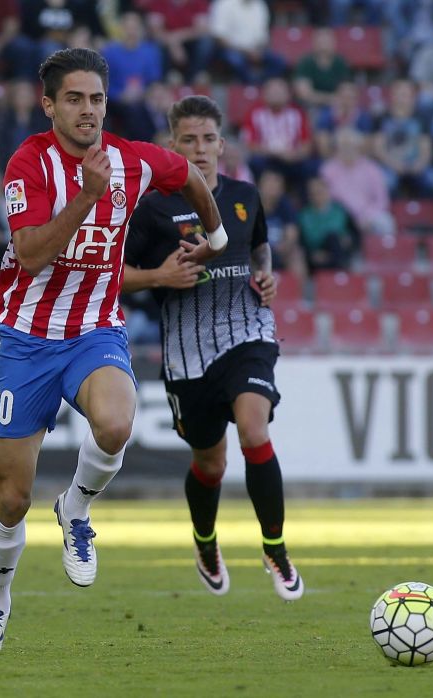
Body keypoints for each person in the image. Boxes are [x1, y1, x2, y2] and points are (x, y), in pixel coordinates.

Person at [0, 48, 227, 651]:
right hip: (26, 340)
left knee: (115, 423)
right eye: (76, 99)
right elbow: (30, 254)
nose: (89, 111)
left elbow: (187, 175)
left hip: (93, 331)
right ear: (49, 104)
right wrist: (85, 197)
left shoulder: (132, 161)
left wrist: (213, 237)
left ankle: (77, 508)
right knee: (12, 497)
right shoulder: (27, 165)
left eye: (97, 99)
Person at [124, 95, 303, 602]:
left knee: (253, 428)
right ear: (171, 146)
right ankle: (205, 542)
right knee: (210, 465)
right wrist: (160, 275)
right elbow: (114, 276)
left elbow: (259, 245)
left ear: (221, 144)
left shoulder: (245, 195)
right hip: (187, 356)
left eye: (207, 139)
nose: (199, 149)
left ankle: (276, 547)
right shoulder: (153, 207)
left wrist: (265, 275)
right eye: (188, 140)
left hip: (248, 334)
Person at [298, 177, 358, 272]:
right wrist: (312, 254)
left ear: (327, 192)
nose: (317, 196)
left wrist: (348, 240)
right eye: (314, 193)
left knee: (333, 238)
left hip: (340, 251)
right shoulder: (304, 215)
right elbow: (301, 242)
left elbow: (355, 235)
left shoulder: (340, 211)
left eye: (320, 191)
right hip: (316, 258)